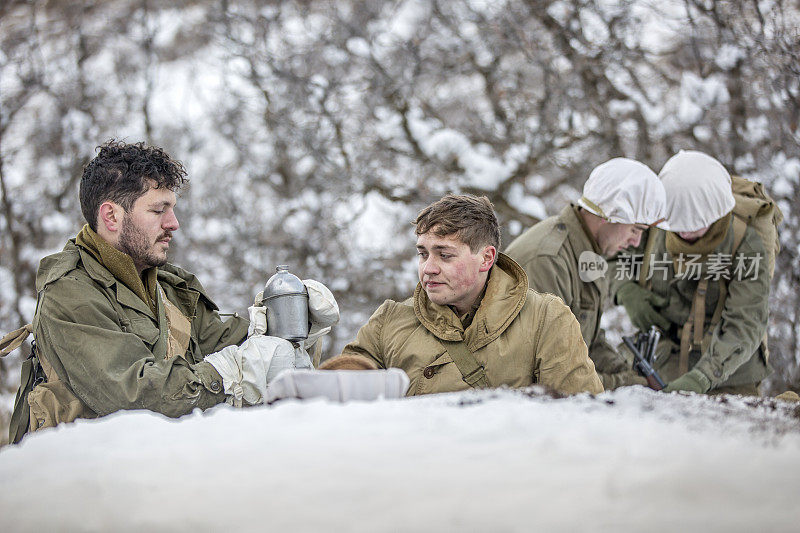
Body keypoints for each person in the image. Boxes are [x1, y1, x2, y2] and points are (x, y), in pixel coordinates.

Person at [6, 140, 338, 443]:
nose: (173, 223)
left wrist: (289, 323)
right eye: (157, 210)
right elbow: (131, 394)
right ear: (111, 216)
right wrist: (229, 373)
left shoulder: (169, 288)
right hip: (85, 486)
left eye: (172, 208)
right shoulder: (69, 294)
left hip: (158, 471)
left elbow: (228, 342)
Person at [329, 194, 604, 395]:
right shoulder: (389, 321)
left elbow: (580, 417)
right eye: (423, 254)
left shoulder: (545, 319)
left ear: (486, 258)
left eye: (445, 255)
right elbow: (343, 400)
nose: (428, 268)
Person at [614, 150, 771, 395]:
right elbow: (611, 254)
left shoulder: (746, 244)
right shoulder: (656, 225)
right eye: (676, 225)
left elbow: (744, 322)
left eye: (693, 224)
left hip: (728, 368)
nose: (683, 232)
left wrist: (703, 377)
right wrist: (624, 289)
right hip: (662, 356)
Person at [504, 158, 667, 389]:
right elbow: (550, 376)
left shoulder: (586, 251)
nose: (635, 241)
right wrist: (626, 384)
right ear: (609, 214)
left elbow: (585, 338)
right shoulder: (548, 261)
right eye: (634, 229)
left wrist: (620, 369)